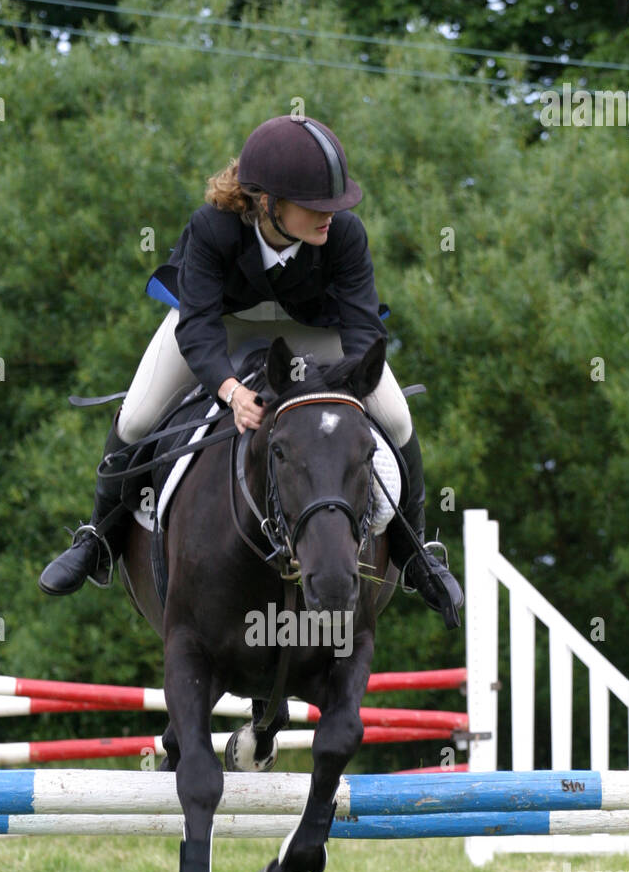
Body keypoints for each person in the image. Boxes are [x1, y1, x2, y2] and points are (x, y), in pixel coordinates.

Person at [38, 115, 463, 622]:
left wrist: (351, 383)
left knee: (394, 419)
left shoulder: (345, 234)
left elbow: (364, 328)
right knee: (135, 418)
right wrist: (230, 389)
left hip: (315, 326)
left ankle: (415, 551)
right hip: (221, 320)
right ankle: (97, 540)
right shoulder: (212, 228)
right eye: (315, 206)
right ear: (268, 202)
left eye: (335, 204)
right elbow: (195, 327)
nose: (331, 216)